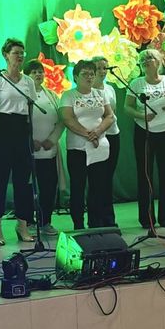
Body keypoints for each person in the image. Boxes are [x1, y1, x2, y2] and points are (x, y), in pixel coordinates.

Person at [124, 49, 165, 229]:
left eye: (149, 58)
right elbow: (127, 107)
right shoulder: (136, 83)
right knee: (145, 174)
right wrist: (140, 115)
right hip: (143, 133)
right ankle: (147, 218)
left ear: (159, 61)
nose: (145, 61)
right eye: (142, 59)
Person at [0, 38, 36, 245]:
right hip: (2, 132)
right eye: (16, 53)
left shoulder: (28, 82)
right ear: (6, 55)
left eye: (22, 53)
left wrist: (30, 137)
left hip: (21, 132)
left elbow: (30, 112)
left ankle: (22, 225)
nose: (20, 56)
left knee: (23, 183)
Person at [60, 60, 114, 229]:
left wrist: (98, 132)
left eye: (92, 74)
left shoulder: (100, 94)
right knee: (78, 186)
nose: (89, 77)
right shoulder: (68, 95)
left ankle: (95, 222)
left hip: (99, 148)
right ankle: (78, 224)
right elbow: (67, 118)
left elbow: (110, 116)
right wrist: (88, 134)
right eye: (85, 74)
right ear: (75, 77)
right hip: (78, 149)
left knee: (98, 186)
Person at [24, 59, 64, 236]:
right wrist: (30, 140)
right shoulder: (22, 96)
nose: (38, 74)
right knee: (27, 189)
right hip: (29, 152)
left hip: (49, 151)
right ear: (26, 76)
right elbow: (18, 123)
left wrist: (52, 140)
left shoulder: (52, 95)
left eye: (40, 71)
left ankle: (45, 221)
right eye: (34, 72)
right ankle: (28, 223)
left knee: (49, 188)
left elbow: (62, 120)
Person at [92, 56, 121, 227]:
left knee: (108, 178)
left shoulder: (110, 89)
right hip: (96, 137)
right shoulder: (87, 90)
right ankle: (96, 219)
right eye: (99, 68)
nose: (103, 71)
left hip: (112, 134)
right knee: (97, 179)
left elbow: (112, 112)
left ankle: (109, 218)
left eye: (105, 68)